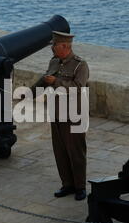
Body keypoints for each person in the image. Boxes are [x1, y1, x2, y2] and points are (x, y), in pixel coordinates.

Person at [31, 31, 89, 201]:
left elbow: (78, 87)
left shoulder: (80, 65)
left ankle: (80, 186)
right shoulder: (54, 61)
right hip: (56, 113)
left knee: (76, 152)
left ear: (65, 46)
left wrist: (55, 82)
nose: (52, 48)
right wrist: (29, 93)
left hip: (73, 115)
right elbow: (44, 80)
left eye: (54, 45)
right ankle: (67, 184)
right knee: (60, 151)